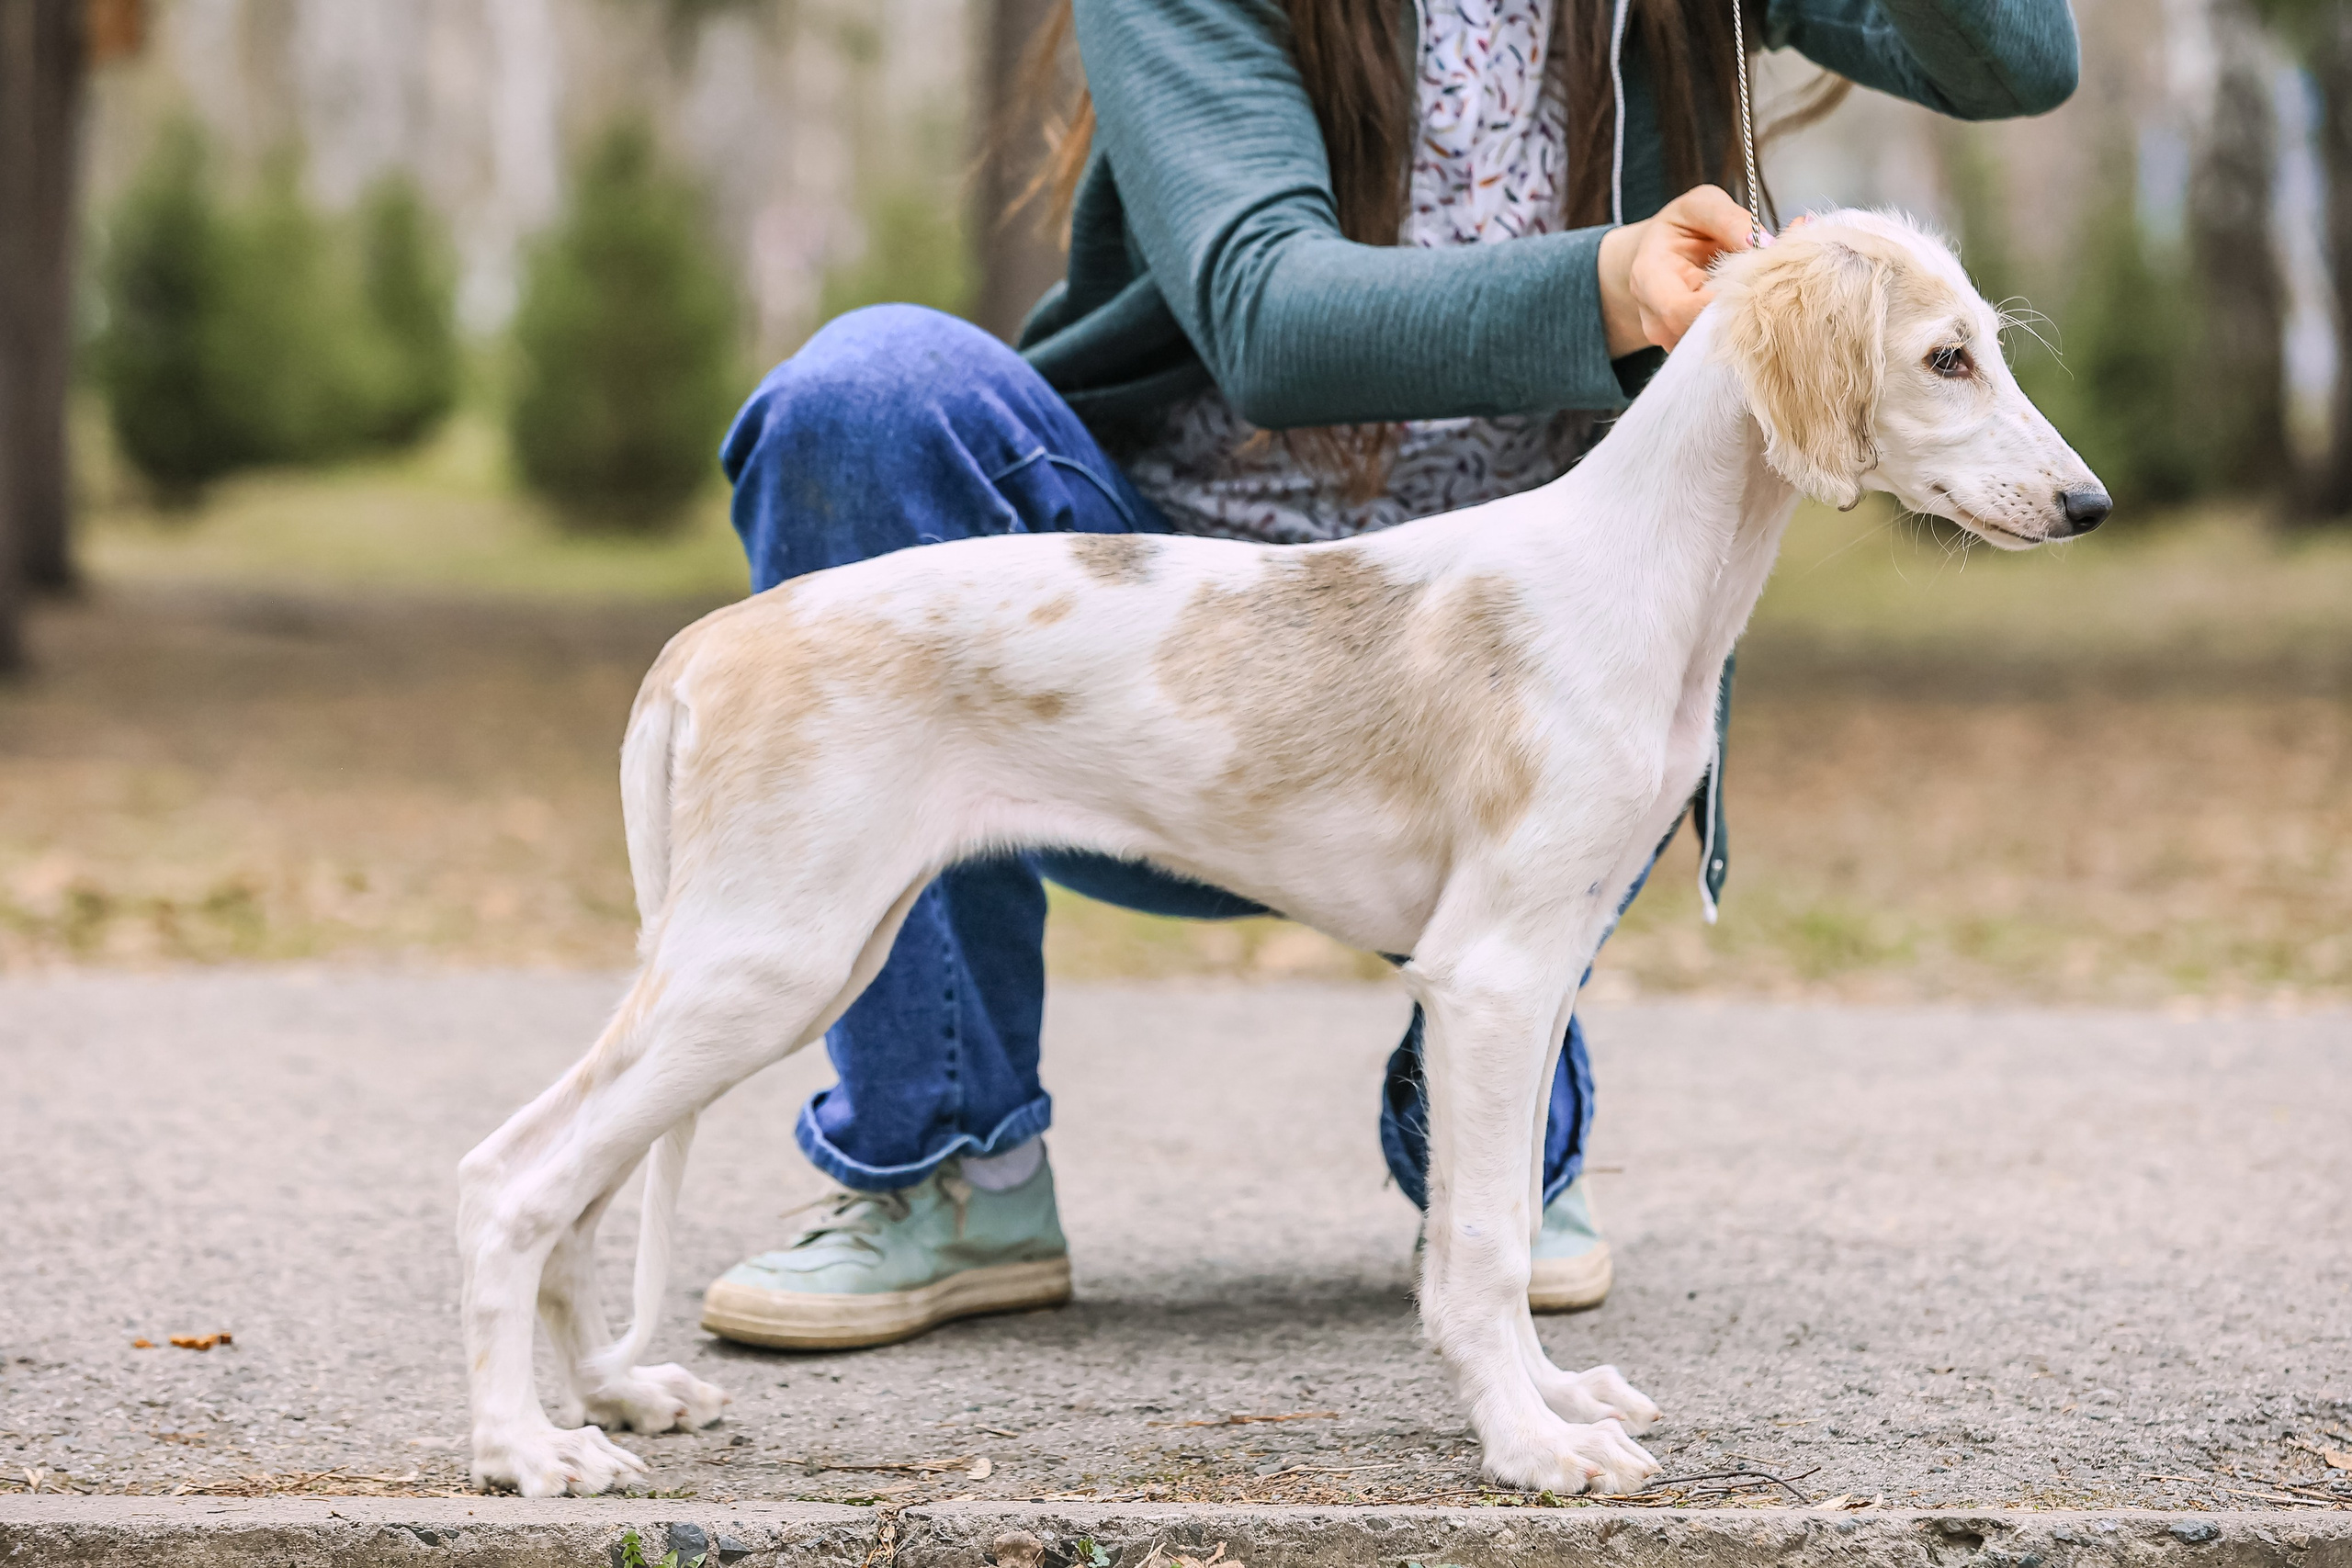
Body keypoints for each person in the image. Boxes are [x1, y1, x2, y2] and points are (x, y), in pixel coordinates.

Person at [697, 0, 2078, 1351]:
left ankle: (1489, 1150)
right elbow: (1270, 313)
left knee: (1493, 1068)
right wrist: (1604, 282)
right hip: (1149, 667)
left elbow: (2023, 62)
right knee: (865, 395)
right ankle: (949, 1159)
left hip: (1520, 673)